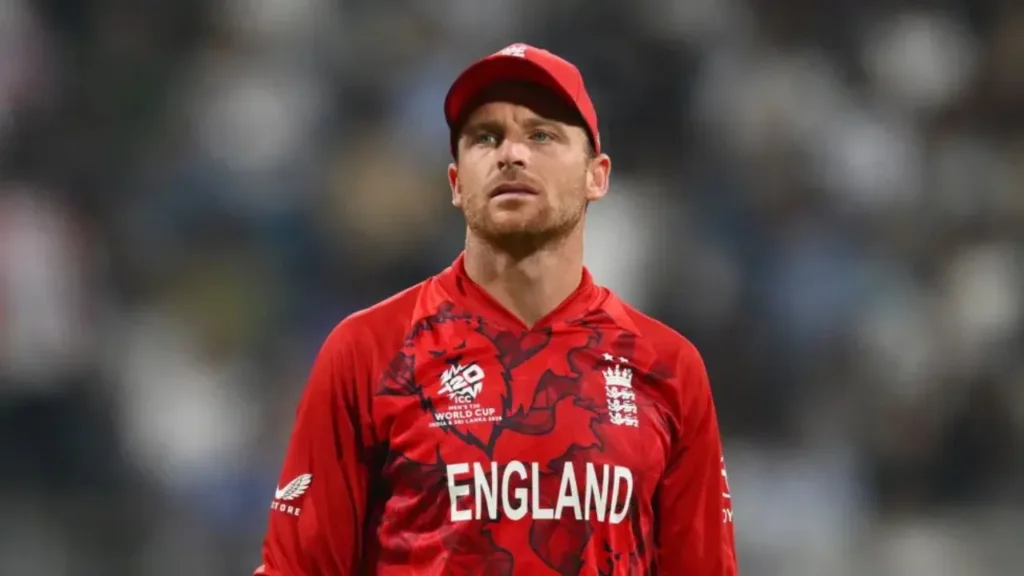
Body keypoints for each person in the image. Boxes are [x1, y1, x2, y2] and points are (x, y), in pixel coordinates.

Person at [255, 43, 738, 575]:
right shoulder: (370, 350)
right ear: (456, 183)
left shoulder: (667, 367)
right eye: (485, 137)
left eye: (541, 135)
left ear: (596, 176)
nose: (511, 154)